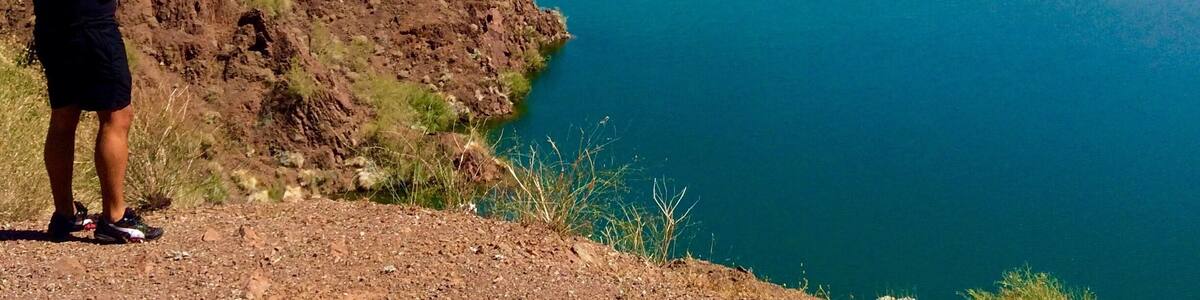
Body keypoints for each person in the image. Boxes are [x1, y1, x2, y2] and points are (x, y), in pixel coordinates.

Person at [35, 0, 163, 243]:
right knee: (116, 115)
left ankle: (65, 214)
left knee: (64, 113)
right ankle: (114, 218)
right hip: (92, 23)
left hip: (50, 23)